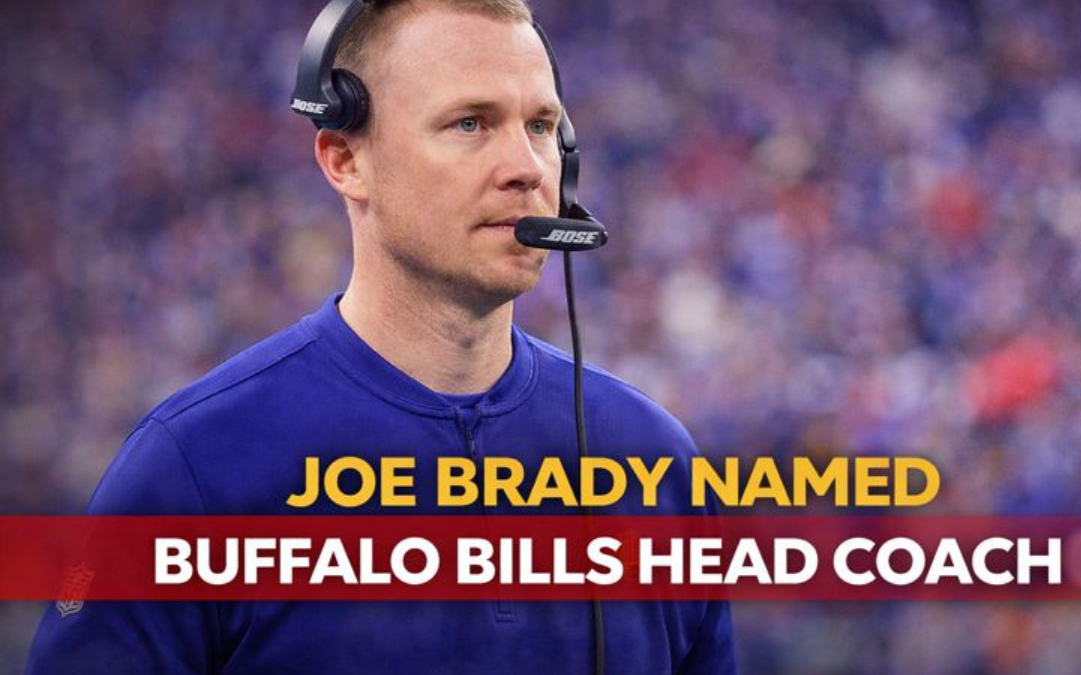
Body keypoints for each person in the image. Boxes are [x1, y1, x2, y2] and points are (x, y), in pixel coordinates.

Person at [25, 0, 736, 673]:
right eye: (470, 123)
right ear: (346, 160)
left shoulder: (656, 462)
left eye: (543, 126)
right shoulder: (195, 466)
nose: (527, 167)